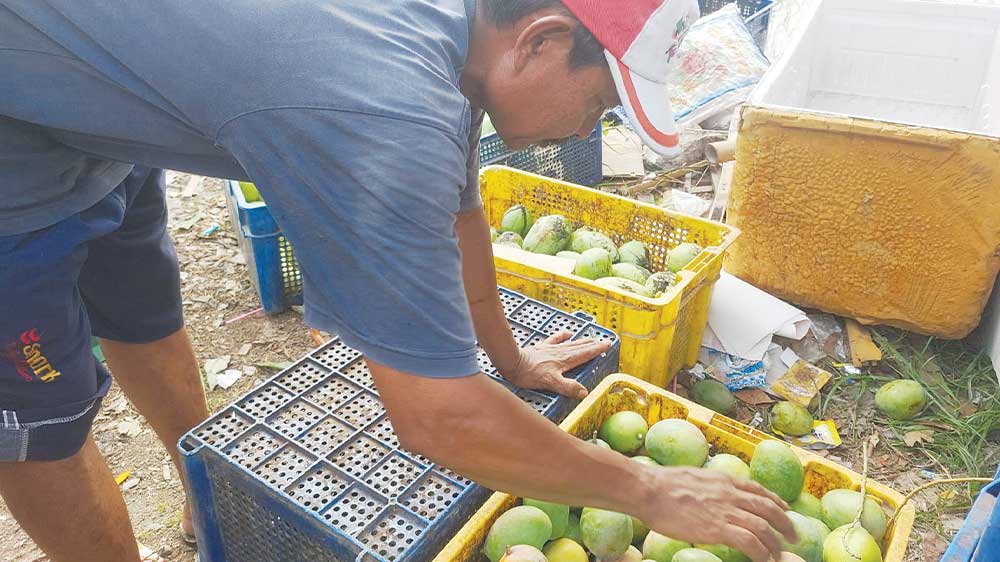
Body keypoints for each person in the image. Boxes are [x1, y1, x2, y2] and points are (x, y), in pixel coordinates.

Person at [0, 1, 796, 561]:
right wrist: (650, 493)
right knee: (38, 424)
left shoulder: (454, 37)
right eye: (601, 103)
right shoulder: (384, 108)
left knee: (141, 310)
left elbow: (462, 217)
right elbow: (435, 418)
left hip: (99, 98)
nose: (591, 130)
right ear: (541, 41)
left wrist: (509, 361)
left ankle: (197, 494)